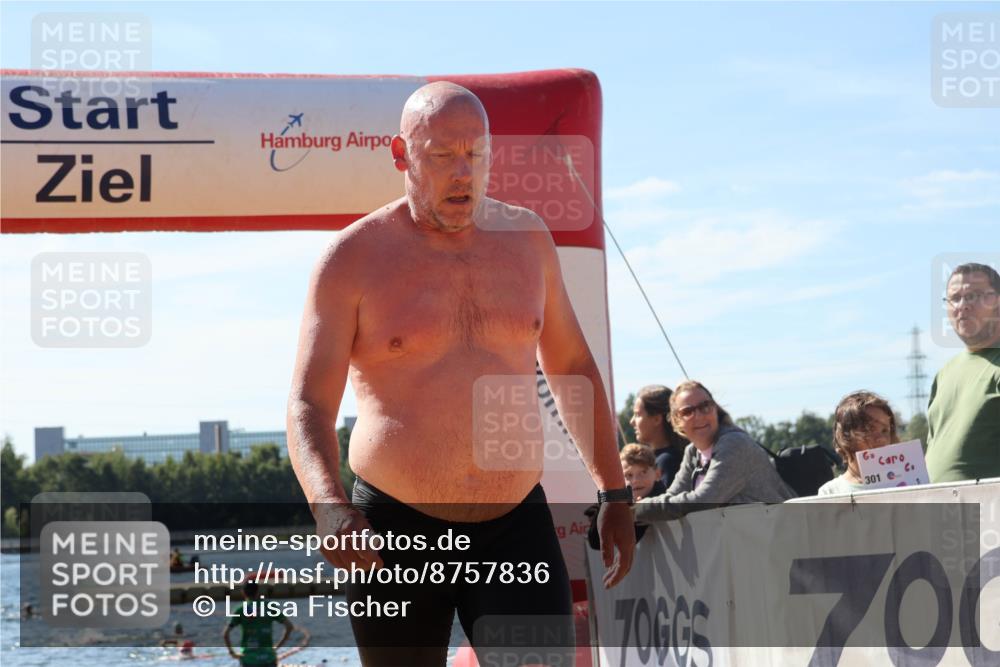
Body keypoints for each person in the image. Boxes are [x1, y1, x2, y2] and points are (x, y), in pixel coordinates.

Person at [286, 81, 634, 665]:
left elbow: (571, 364)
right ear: (401, 155)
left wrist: (614, 490)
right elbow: (308, 403)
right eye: (442, 155)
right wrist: (328, 504)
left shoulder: (527, 239)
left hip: (515, 527)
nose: (463, 173)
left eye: (477, 153)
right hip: (392, 532)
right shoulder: (352, 258)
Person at [633, 380, 795, 522]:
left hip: (778, 539)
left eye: (705, 406)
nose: (698, 416)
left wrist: (637, 510)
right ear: (676, 421)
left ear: (715, 409)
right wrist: (638, 509)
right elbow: (673, 495)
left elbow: (704, 500)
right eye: (687, 412)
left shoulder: (734, 444)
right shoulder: (693, 452)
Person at [926, 262, 1000, 482]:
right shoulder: (944, 374)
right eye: (955, 298)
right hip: (935, 502)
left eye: (973, 296)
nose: (962, 306)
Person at [818, 391, 899, 495]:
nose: (881, 439)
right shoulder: (830, 492)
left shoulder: (906, 481)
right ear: (846, 437)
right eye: (869, 430)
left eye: (885, 430)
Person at [224, 581, 293, 667]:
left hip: (249, 659)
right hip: (268, 658)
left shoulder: (240, 609)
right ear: (258, 591)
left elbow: (226, 634)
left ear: (243, 593)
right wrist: (277, 646)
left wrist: (232, 652)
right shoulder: (270, 607)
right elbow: (289, 627)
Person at [630, 385, 688, 487]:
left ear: (657, 419)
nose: (632, 422)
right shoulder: (665, 459)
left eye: (638, 415)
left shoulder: (668, 462)